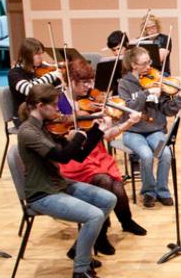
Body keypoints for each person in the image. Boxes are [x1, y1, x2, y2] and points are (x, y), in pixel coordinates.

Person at [15, 83, 117, 278]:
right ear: (39, 106)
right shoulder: (28, 132)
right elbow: (62, 157)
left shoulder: (44, 128)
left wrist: (98, 130)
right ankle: (81, 270)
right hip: (42, 194)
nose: (59, 110)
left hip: (58, 185)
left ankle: (78, 249)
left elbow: (77, 156)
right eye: (54, 105)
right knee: (94, 215)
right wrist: (77, 136)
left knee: (108, 199)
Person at [56, 59, 146, 236]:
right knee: (105, 181)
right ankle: (101, 230)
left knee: (117, 185)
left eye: (91, 81)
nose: (89, 87)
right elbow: (64, 135)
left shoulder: (90, 101)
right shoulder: (59, 101)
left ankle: (126, 221)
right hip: (75, 157)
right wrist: (79, 116)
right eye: (85, 82)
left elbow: (106, 135)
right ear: (71, 82)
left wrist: (128, 122)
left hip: (97, 153)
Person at [119, 47, 181, 208]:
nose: (149, 67)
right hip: (133, 131)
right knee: (146, 155)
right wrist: (146, 93)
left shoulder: (157, 80)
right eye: (144, 64)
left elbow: (167, 110)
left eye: (149, 61)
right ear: (133, 65)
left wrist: (178, 98)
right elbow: (128, 107)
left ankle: (163, 191)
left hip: (154, 130)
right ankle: (148, 192)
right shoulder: (124, 84)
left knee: (165, 154)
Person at [8, 37, 63, 118]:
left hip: (43, 113)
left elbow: (53, 91)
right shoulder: (14, 73)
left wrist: (59, 81)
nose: (41, 57)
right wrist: (51, 75)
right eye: (37, 54)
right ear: (27, 55)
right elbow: (29, 90)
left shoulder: (38, 69)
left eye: (41, 54)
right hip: (25, 117)